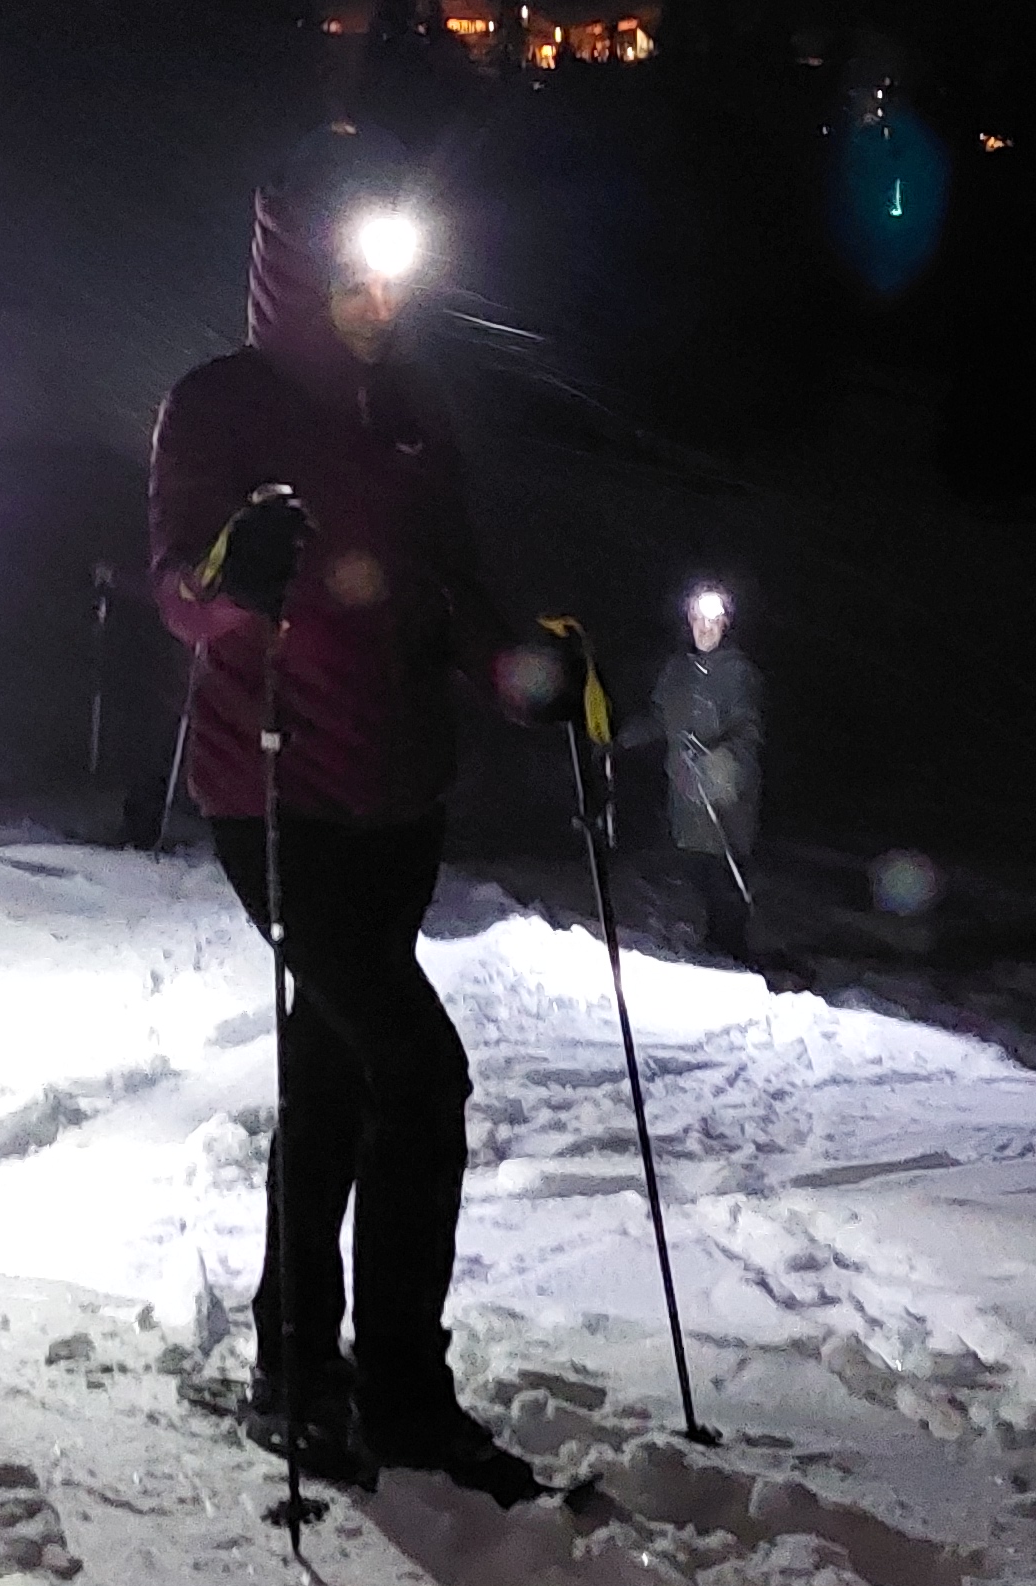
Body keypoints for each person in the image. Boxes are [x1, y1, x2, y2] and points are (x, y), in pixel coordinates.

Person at [149, 133, 570, 1497]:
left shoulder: (412, 411)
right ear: (294, 276)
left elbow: (451, 589)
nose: (378, 306)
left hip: (398, 794)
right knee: (416, 1071)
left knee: (332, 1073)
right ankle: (394, 1384)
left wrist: (523, 672)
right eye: (352, 282)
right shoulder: (219, 404)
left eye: (392, 281)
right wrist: (232, 576)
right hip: (272, 790)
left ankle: (304, 1361)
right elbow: (180, 592)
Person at [638, 584, 766, 960]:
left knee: (726, 876)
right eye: (698, 619)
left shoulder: (739, 673)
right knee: (695, 870)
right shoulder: (676, 672)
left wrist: (720, 761)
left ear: (726, 625)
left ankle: (732, 954)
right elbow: (659, 719)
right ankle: (707, 946)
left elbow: (749, 729)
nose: (705, 628)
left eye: (714, 620)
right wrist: (619, 739)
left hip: (726, 800)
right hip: (686, 797)